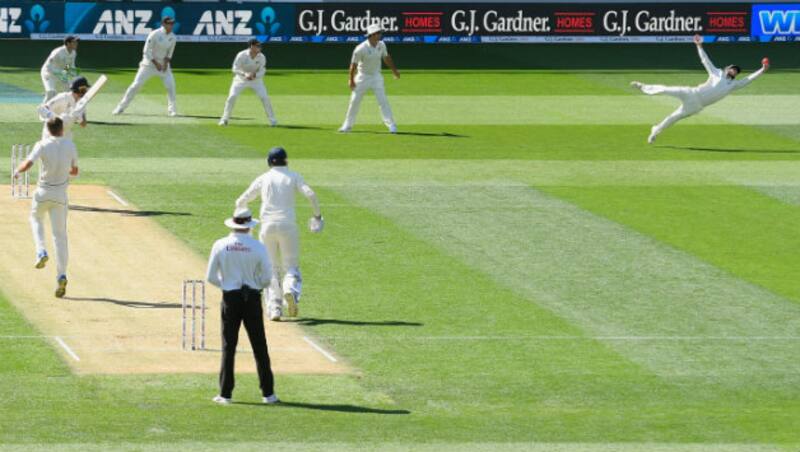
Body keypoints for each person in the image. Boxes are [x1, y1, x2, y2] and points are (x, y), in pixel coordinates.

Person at [235, 147, 323, 321]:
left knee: (271, 267)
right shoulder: (293, 176)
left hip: (267, 226)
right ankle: (290, 290)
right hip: (288, 226)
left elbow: (241, 200)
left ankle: (275, 307)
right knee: (290, 267)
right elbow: (311, 194)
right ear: (286, 161)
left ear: (269, 161)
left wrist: (242, 224)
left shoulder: (264, 178)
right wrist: (317, 216)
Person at [631, 34, 768, 144]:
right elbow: (705, 60)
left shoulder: (733, 85)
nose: (734, 72)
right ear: (727, 68)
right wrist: (699, 45)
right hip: (691, 93)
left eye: (736, 71)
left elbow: (749, 79)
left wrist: (762, 69)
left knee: (673, 118)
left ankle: (654, 132)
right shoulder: (716, 72)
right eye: (733, 69)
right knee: (666, 89)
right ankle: (643, 87)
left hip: (696, 106)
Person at [206, 208, 279, 405]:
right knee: (259, 346)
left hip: (231, 298)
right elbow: (266, 277)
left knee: (228, 346)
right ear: (248, 226)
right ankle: (268, 394)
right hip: (252, 298)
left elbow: (211, 277)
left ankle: (225, 394)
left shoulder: (220, 244)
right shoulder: (258, 247)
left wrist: (229, 286)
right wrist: (255, 286)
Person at [12, 118, 78, 298]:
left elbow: (28, 163)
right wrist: (64, 170)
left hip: (42, 193)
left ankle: (41, 250)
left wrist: (17, 172)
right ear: (62, 129)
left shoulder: (41, 144)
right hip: (60, 195)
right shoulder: (70, 145)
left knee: (35, 219)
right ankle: (61, 275)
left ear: (48, 129)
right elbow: (75, 171)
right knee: (60, 236)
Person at [338, 23, 400, 134]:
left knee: (383, 101)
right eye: (377, 33)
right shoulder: (360, 49)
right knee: (354, 101)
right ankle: (347, 125)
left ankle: (391, 125)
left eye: (380, 33)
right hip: (362, 77)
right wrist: (351, 80)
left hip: (376, 76)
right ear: (371, 35)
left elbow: (386, 58)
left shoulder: (382, 45)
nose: (380, 35)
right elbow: (353, 65)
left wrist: (394, 70)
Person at [113, 16, 178, 117]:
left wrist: (165, 64)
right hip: (148, 65)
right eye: (169, 23)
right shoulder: (155, 34)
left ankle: (172, 110)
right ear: (164, 24)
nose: (171, 25)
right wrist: (156, 63)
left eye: (172, 23)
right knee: (136, 85)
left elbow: (170, 53)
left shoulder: (173, 37)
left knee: (171, 86)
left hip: (163, 66)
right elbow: (146, 50)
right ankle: (120, 107)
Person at [219, 38, 277, 127]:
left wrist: (255, 75)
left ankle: (273, 121)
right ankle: (224, 119)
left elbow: (263, 70)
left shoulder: (262, 57)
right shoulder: (241, 55)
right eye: (258, 46)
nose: (260, 48)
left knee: (265, 98)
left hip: (256, 81)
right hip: (240, 80)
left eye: (260, 46)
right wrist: (244, 74)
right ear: (252, 46)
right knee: (232, 97)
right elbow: (234, 68)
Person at [41, 36, 79, 102]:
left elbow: (69, 65)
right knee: (51, 92)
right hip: (48, 73)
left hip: (61, 73)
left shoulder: (73, 53)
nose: (76, 43)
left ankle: (68, 110)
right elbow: (48, 66)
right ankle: (43, 110)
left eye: (76, 42)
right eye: (74, 42)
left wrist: (76, 78)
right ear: (68, 43)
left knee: (70, 91)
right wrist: (60, 73)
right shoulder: (58, 52)